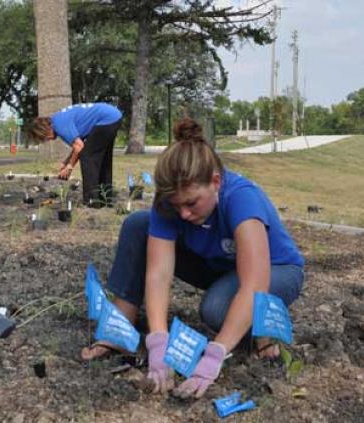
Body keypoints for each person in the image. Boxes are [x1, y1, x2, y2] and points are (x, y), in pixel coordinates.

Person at [80, 117, 305, 399]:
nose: (183, 214)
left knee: (216, 310)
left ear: (215, 181)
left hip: (274, 270)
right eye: (176, 205)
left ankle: (266, 330)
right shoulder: (170, 203)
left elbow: (255, 284)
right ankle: (122, 325)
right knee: (139, 225)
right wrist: (158, 342)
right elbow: (159, 274)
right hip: (217, 265)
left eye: (191, 203)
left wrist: (214, 356)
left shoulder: (241, 198)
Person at [30, 103, 122, 206]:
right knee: (103, 159)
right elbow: (77, 146)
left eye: (45, 137)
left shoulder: (60, 126)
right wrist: (66, 162)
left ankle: (91, 202)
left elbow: (79, 147)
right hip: (113, 116)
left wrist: (69, 167)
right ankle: (106, 199)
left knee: (88, 157)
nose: (48, 139)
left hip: (106, 119)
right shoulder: (58, 120)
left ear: (45, 129)